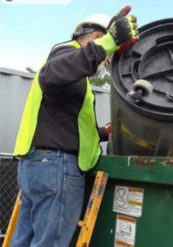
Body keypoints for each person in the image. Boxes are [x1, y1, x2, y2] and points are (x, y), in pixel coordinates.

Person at [11, 7, 138, 247]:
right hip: (57, 168)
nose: (108, 60)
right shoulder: (67, 54)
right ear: (94, 39)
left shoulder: (75, 78)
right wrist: (109, 42)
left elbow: (70, 125)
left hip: (37, 165)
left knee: (24, 241)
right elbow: (54, 75)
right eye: (108, 54)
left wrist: (104, 133)